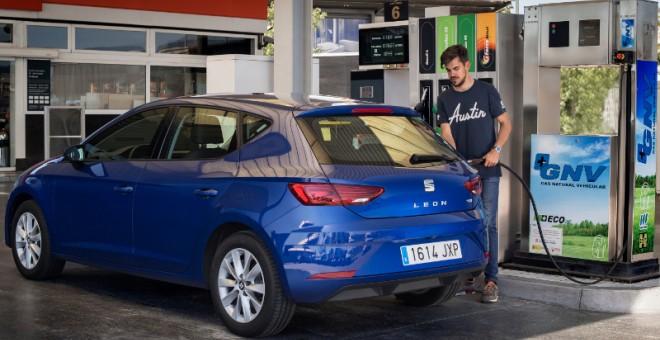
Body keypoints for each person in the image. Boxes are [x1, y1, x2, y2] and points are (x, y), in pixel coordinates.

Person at [435, 44, 512, 303]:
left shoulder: (487, 91)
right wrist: (456, 159)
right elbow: (446, 132)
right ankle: (467, 274)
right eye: (448, 70)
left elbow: (506, 123)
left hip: (488, 170)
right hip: (461, 174)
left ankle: (491, 280)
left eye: (456, 68)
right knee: (463, 223)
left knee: (488, 223)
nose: (452, 74)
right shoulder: (444, 98)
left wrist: (496, 151)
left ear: (467, 65)